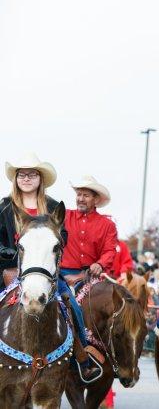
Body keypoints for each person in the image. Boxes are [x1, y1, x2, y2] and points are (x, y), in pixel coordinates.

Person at [59, 175, 118, 381]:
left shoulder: (106, 225)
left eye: (86, 195)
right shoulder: (63, 216)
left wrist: (100, 263)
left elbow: (110, 251)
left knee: (118, 307)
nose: (81, 199)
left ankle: (117, 358)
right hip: (61, 275)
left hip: (90, 276)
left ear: (96, 200)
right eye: (79, 194)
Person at [0, 153, 62, 285]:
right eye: (21, 175)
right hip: (9, 269)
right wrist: (3, 250)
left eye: (32, 174)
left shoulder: (53, 207)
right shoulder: (5, 207)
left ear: (40, 178)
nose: (26, 179)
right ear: (16, 178)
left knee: (71, 302)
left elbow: (63, 234)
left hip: (45, 270)